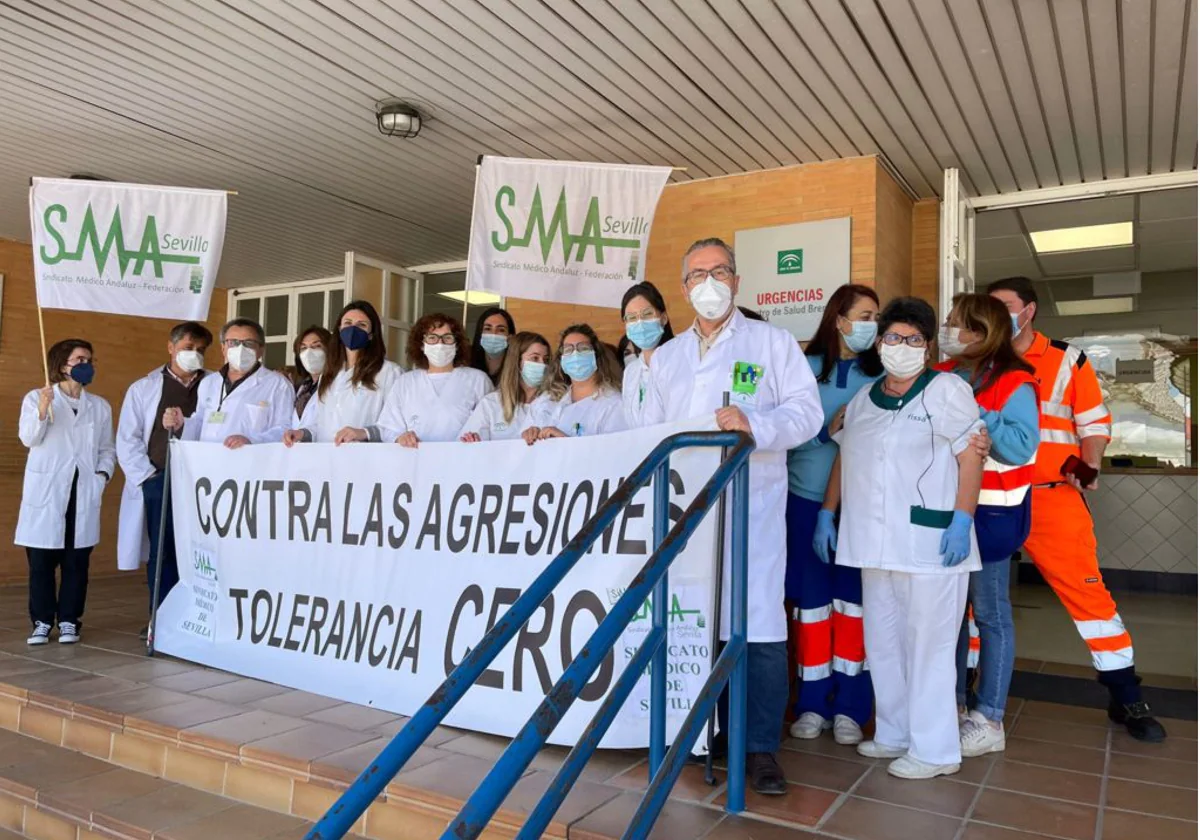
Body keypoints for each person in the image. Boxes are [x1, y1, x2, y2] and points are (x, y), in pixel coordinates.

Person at [642, 238, 823, 796]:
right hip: (682, 511)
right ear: (684, 287)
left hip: (752, 506)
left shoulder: (771, 343)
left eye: (720, 271)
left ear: (738, 281)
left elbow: (808, 414)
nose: (709, 283)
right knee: (695, 619)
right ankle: (708, 735)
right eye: (698, 274)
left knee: (757, 622)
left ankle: (759, 745)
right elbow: (649, 431)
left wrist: (755, 423)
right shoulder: (668, 356)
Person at [989, 276, 1166, 742]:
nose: (995, 315)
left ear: (1029, 310)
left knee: (1088, 595)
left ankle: (1126, 694)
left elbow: (1092, 422)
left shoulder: (1067, 359)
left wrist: (1088, 465)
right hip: (990, 495)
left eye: (1004, 306)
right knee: (977, 601)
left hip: (1051, 495)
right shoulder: (977, 358)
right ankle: (973, 688)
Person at [815, 296, 984, 780]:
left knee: (928, 647)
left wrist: (962, 519)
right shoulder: (865, 399)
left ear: (928, 347)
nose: (901, 346)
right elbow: (845, 456)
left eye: (913, 339)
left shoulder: (947, 390)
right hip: (872, 540)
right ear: (882, 342)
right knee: (883, 642)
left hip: (931, 542)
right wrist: (829, 512)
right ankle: (893, 733)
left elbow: (971, 455)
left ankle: (935, 750)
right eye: (893, 337)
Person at [933, 293, 1039, 758]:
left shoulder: (1016, 381)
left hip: (992, 517)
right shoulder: (943, 374)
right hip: (946, 514)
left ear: (980, 331)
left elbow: (1019, 447)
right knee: (952, 617)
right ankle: (953, 705)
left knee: (991, 615)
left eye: (955, 323)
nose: (949, 330)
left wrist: (978, 411)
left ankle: (990, 716)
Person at [785, 284, 882, 747]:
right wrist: (826, 433)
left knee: (853, 608)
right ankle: (811, 702)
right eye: (863, 315)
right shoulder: (805, 370)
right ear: (838, 318)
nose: (871, 325)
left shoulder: (880, 373)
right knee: (811, 608)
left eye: (875, 317)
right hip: (804, 502)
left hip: (861, 507)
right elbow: (782, 435)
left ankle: (851, 707)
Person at [116, 321, 213, 636]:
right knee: (164, 552)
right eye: (187, 348)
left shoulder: (214, 385)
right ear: (170, 348)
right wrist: (148, 478)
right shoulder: (144, 388)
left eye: (200, 350)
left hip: (206, 483)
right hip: (160, 479)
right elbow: (127, 438)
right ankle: (161, 620)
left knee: (203, 552)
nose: (194, 354)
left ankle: (199, 619)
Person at [17, 339, 116, 645]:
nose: (87, 363)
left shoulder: (99, 406)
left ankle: (70, 619)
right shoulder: (37, 397)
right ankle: (43, 621)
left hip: (83, 491)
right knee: (41, 563)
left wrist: (101, 475)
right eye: (79, 358)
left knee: (76, 563)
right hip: (47, 492)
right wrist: (44, 410)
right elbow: (29, 439)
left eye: (90, 358)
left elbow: (106, 449)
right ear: (63, 365)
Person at [282, 303, 401, 445]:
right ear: (339, 330)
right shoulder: (329, 373)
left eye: (361, 325)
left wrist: (363, 432)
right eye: (348, 323)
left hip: (365, 458)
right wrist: (302, 433)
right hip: (328, 458)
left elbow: (395, 425)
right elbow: (321, 424)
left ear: (371, 334)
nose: (353, 329)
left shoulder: (388, 372)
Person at [163, 318, 293, 445]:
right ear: (223, 348)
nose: (241, 349)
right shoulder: (209, 382)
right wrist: (182, 423)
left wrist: (252, 441)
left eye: (249, 343)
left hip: (250, 461)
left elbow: (284, 429)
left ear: (261, 350)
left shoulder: (278, 385)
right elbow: (201, 422)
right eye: (233, 343)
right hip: (208, 460)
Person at [379, 313, 492, 446]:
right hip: (416, 461)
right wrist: (401, 438)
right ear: (421, 345)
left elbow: (492, 422)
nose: (440, 344)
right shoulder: (405, 383)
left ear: (457, 345)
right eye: (432, 338)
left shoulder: (478, 380)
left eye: (447, 338)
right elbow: (388, 428)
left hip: (463, 461)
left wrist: (478, 437)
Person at [522, 324, 626, 443]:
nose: (575, 354)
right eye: (568, 350)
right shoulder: (550, 401)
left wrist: (566, 443)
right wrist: (530, 434)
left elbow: (614, 453)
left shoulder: (613, 404)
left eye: (583, 348)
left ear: (596, 356)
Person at [460, 332, 553, 442]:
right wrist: (472, 440)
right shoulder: (491, 403)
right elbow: (466, 444)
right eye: (535, 358)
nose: (542, 364)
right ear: (516, 361)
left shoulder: (554, 401)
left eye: (546, 360)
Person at [621, 281, 675, 428]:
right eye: (631, 318)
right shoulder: (631, 372)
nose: (640, 323)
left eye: (647, 314)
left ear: (663, 318)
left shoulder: (679, 361)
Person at [291, 325, 332, 430]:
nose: (308, 352)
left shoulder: (337, 384)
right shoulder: (304, 386)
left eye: (316, 346)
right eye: (303, 348)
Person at [470, 307, 516, 386]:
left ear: (510, 338)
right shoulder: (468, 366)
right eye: (488, 329)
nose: (493, 334)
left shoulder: (517, 371)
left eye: (501, 330)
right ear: (480, 334)